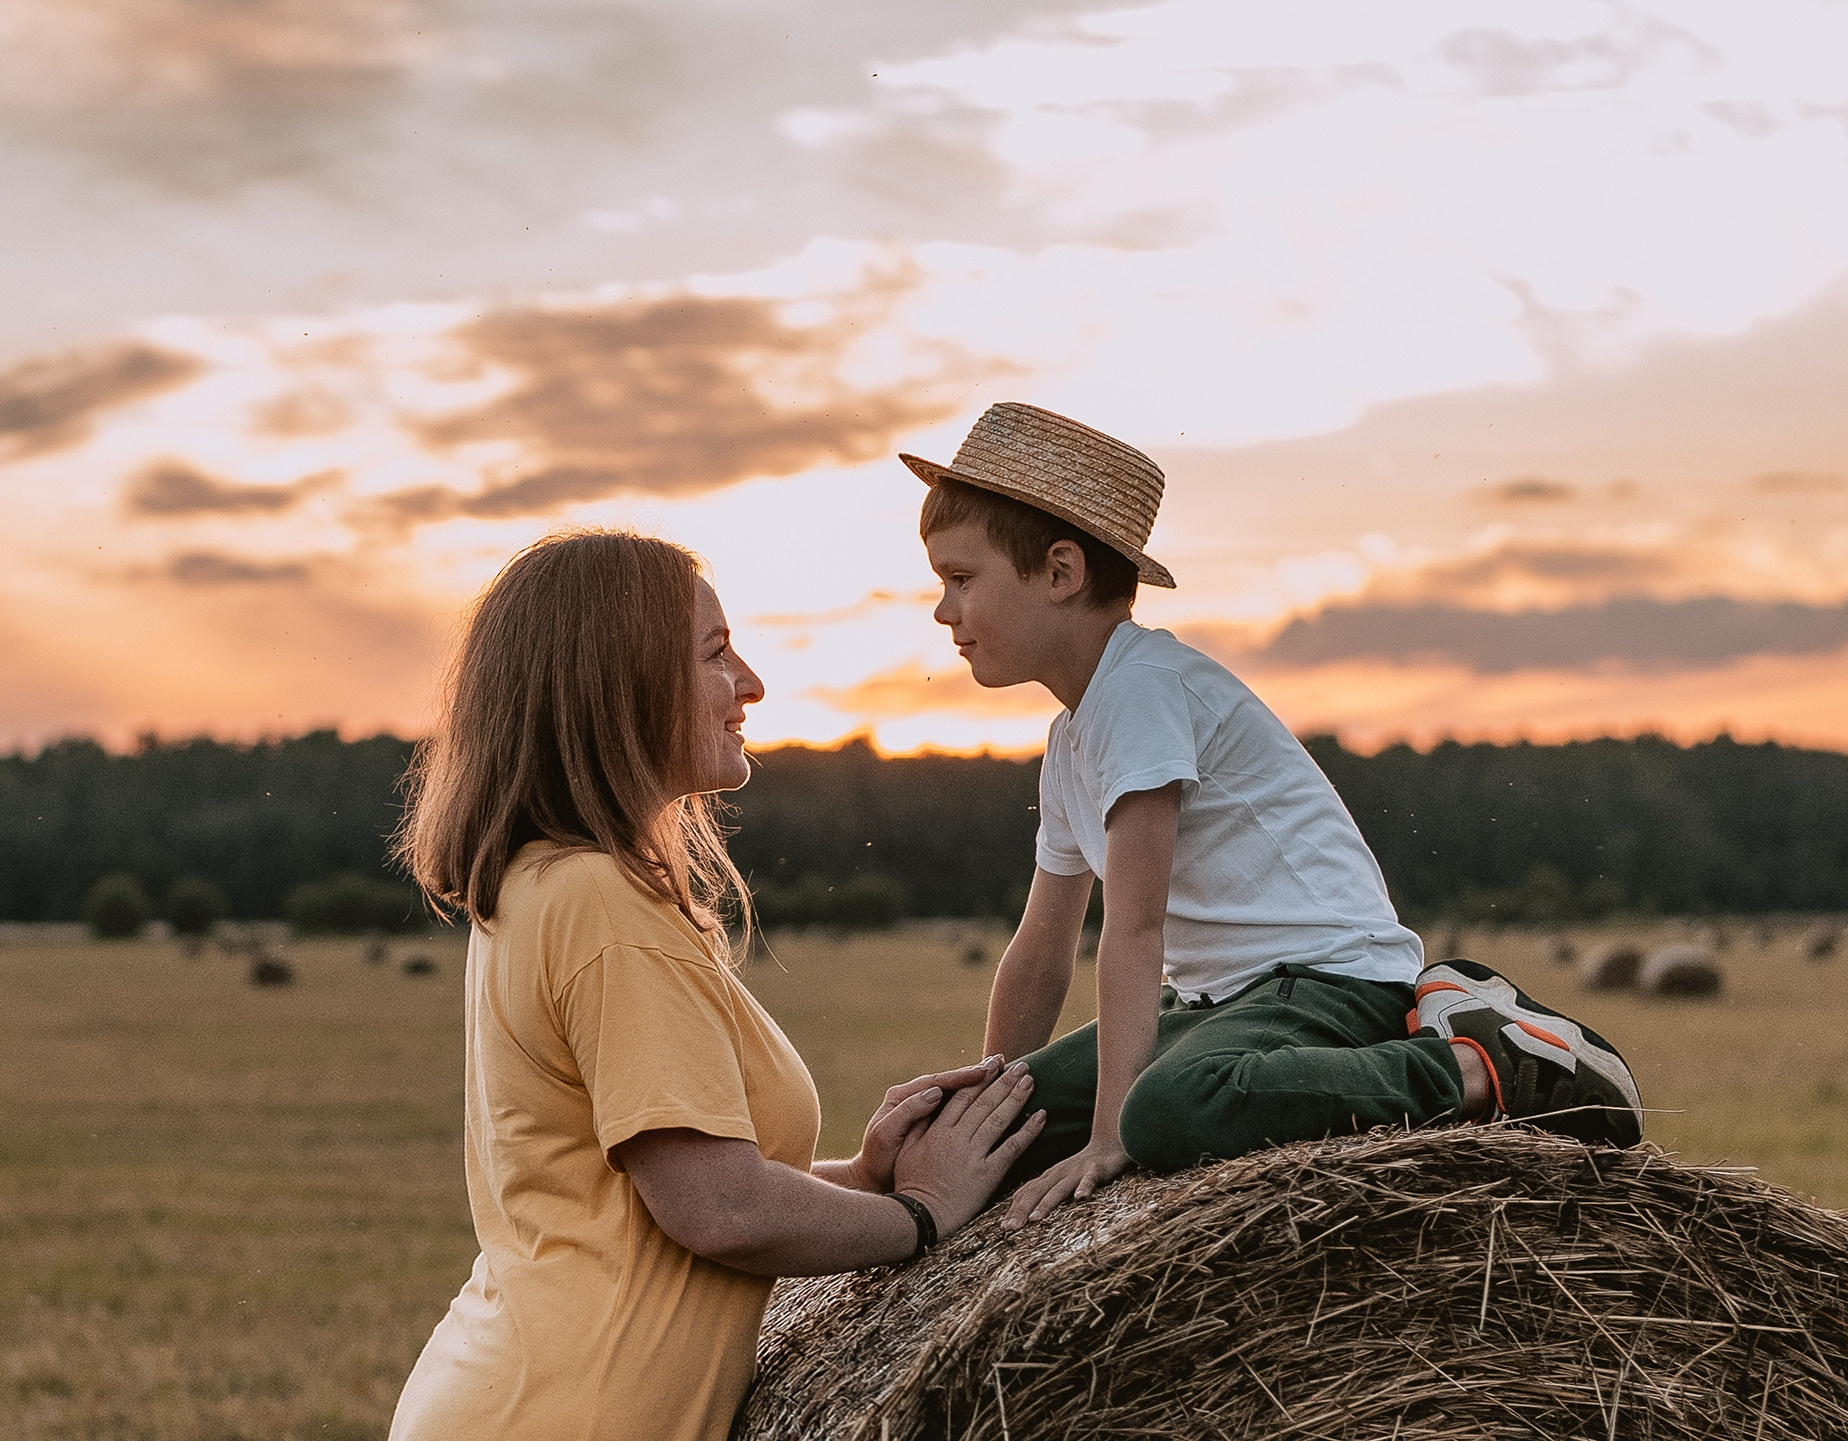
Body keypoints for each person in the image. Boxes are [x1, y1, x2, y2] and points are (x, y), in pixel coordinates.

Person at [898, 402, 1644, 1229]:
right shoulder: (1072, 737)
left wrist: (1110, 1135)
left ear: (1060, 572)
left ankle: (1478, 1064)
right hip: (1220, 1002)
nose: (943, 610)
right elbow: (1041, 951)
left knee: (1163, 1115)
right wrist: (986, 1114)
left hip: (1332, 980)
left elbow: (1134, 927)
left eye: (960, 579)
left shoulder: (1141, 690)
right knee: (969, 1130)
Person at [386, 530, 1046, 1441]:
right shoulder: (599, 902)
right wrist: (921, 1214)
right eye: (714, 653)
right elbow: (719, 1207)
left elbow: (639, 1195)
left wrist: (862, 1176)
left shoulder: (545, 882)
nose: (751, 682)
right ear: (620, 684)